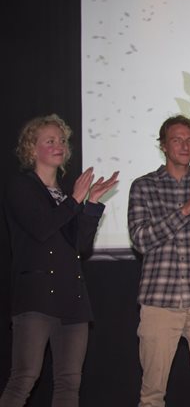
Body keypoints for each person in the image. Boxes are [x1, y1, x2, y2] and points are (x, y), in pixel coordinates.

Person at [0, 114, 118, 407]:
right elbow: (41, 228)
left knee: (69, 382)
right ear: (32, 149)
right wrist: (76, 201)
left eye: (62, 141)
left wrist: (90, 206)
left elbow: (81, 247)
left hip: (72, 299)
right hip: (36, 298)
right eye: (49, 141)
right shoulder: (21, 187)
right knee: (24, 377)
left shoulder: (66, 194)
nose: (59, 145)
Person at [128, 115, 190, 407]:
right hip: (159, 301)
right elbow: (141, 240)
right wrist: (185, 210)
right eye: (177, 139)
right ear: (163, 145)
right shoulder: (144, 186)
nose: (185, 145)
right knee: (151, 395)